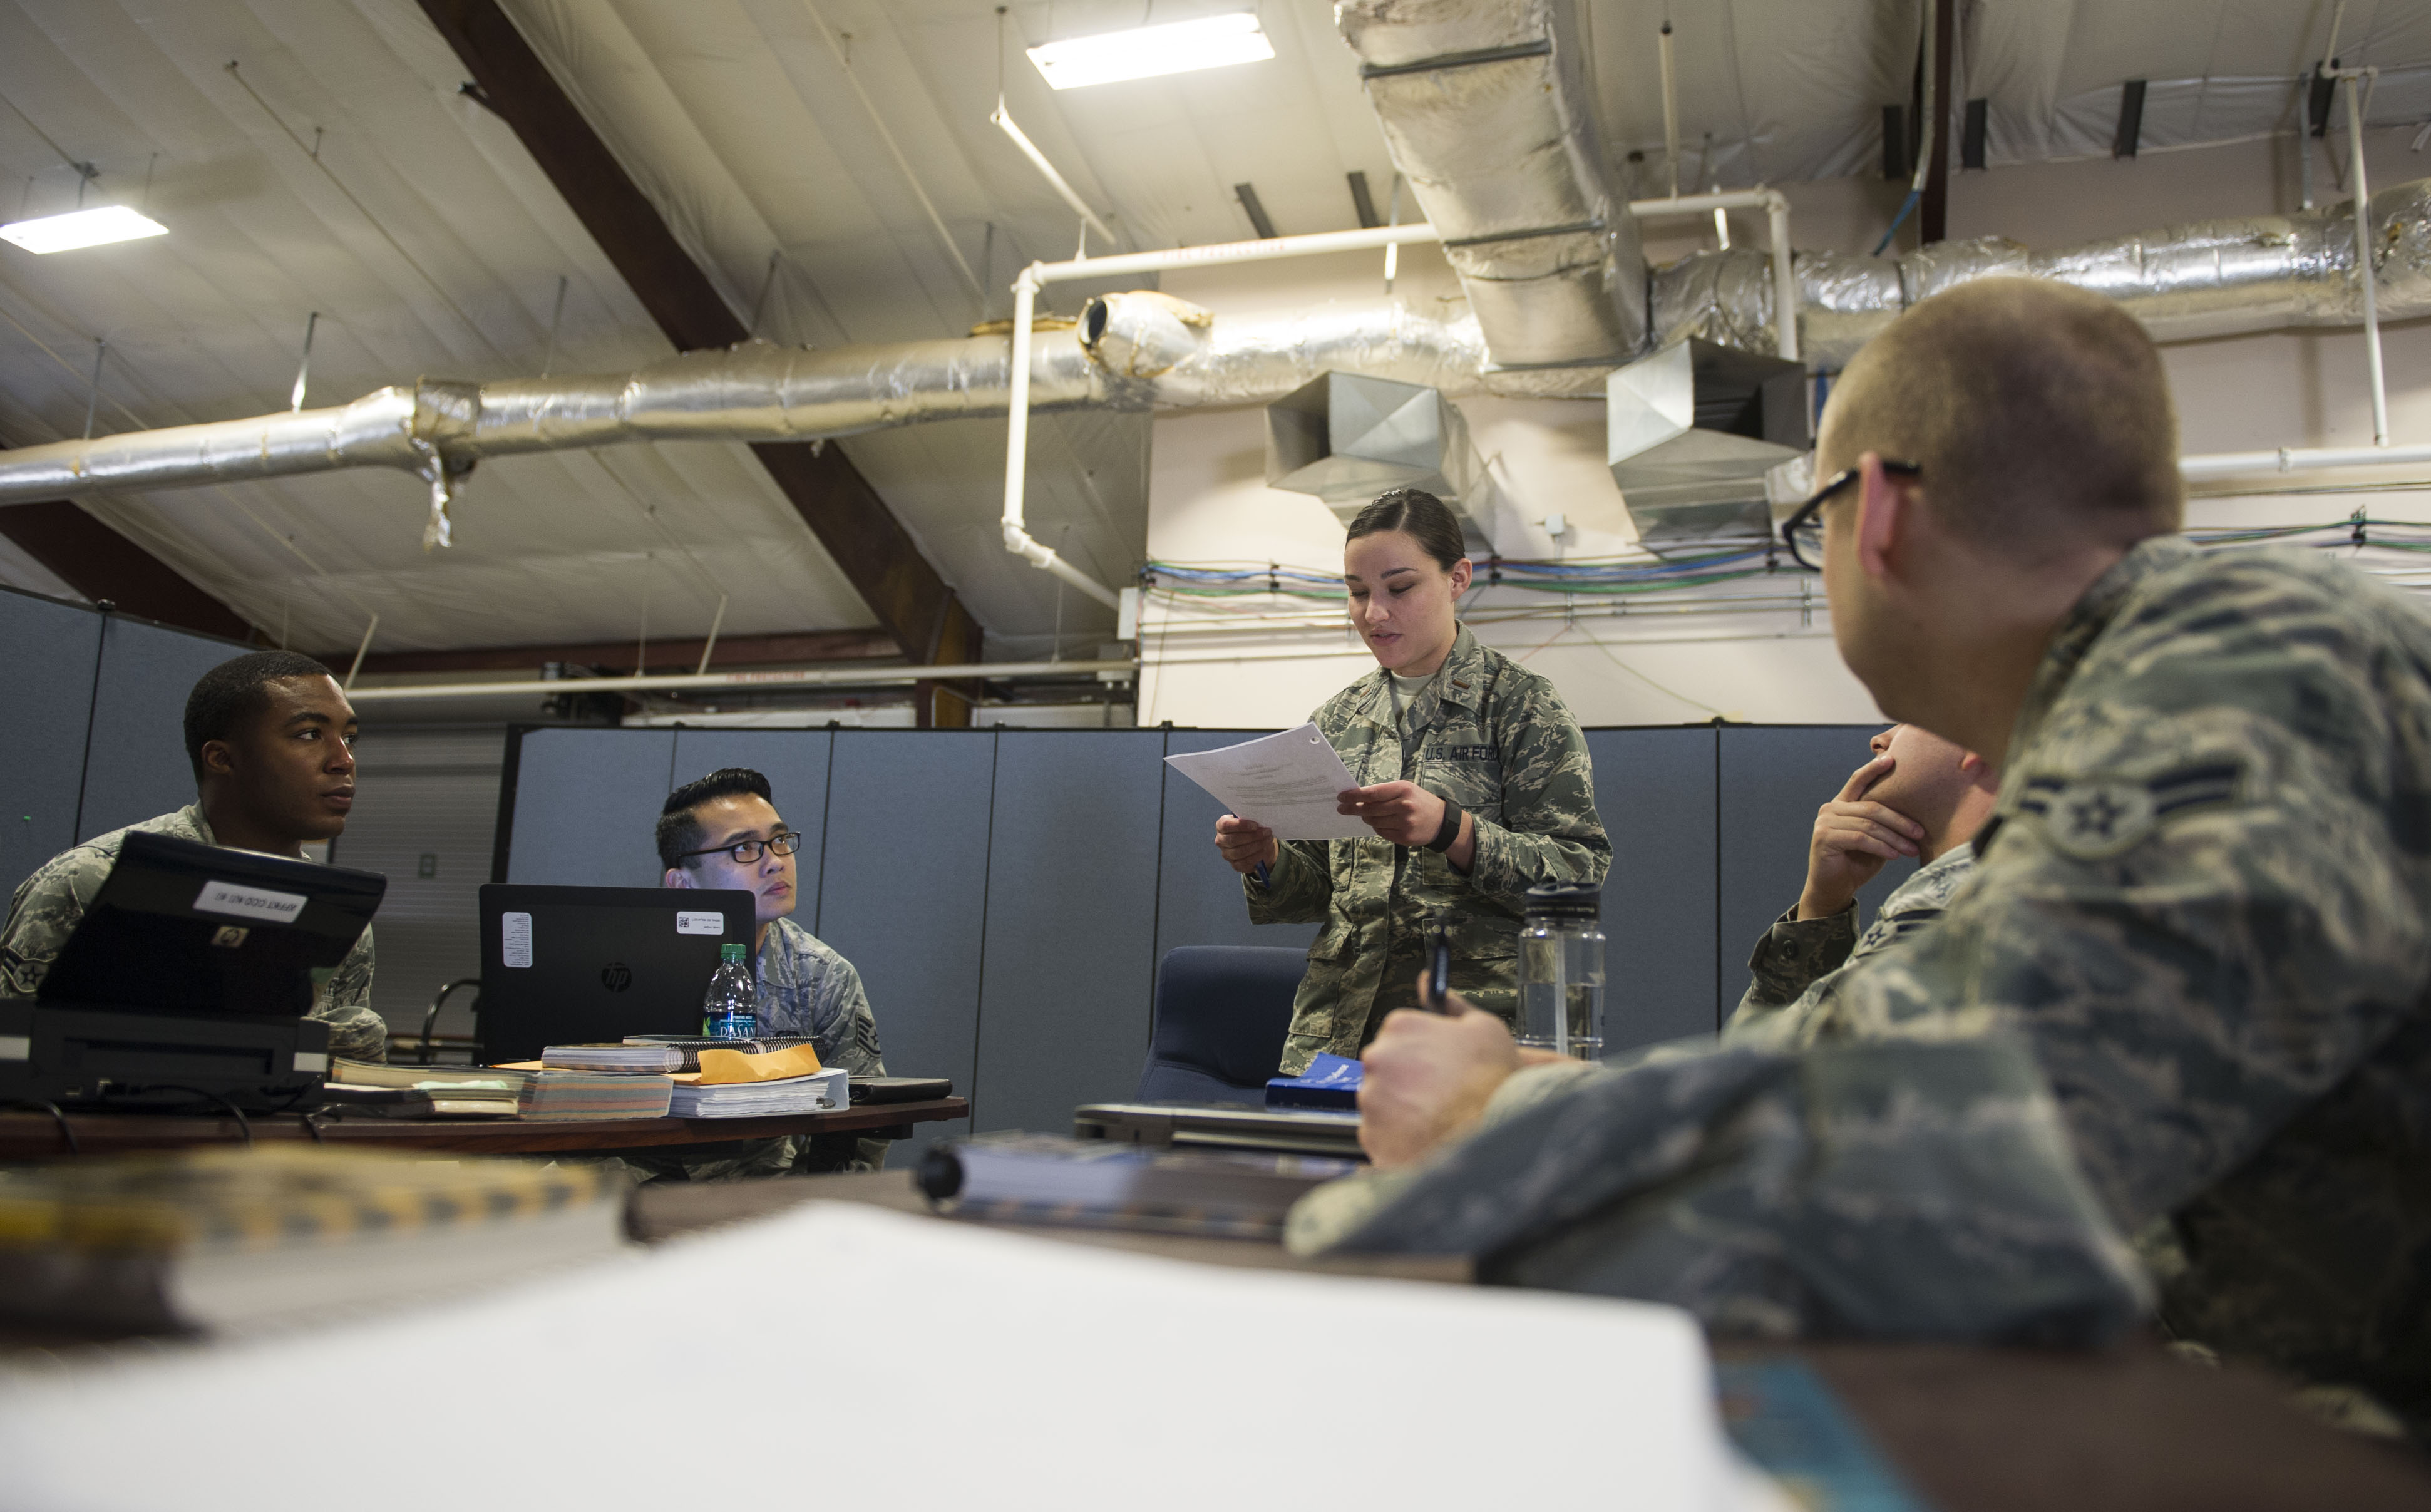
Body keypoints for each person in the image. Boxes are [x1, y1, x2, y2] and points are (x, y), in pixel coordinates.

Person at [1290, 276, 2431, 1434]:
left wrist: (1488, 1115)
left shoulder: (2237, 684)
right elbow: (1862, 1060)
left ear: (1875, 512)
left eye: (1812, 530)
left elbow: (1918, 1156)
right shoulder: (2201, 683)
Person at [1212, 488, 1610, 1074]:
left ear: (1457, 579)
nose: (1374, 613)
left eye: (1399, 588)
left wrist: (1453, 829)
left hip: (1473, 1042)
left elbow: (1578, 875)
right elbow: (1320, 892)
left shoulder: (1520, 706)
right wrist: (1265, 858)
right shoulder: (1338, 719)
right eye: (1357, 592)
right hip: (1337, 1038)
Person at [0, 651, 386, 1062]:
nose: (344, 761)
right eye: (309, 734)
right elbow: (10, 1056)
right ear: (222, 758)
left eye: (350, 738)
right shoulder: (91, 880)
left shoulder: (332, 917)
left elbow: (336, 1077)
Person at [653, 766, 886, 1176]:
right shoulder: (625, 965)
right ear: (682, 883)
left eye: (779, 841)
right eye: (745, 848)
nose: (776, 862)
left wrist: (803, 1201)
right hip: (624, 1181)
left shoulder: (821, 977)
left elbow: (863, 1117)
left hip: (763, 1190)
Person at [1729, 723, 1997, 1038]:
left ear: (1977, 742)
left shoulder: (1957, 907)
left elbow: (1755, 1061)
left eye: (1909, 719)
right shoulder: (1977, 892)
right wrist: (1823, 906)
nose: (1878, 741)